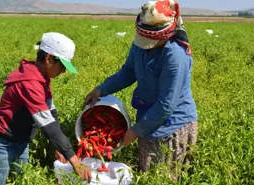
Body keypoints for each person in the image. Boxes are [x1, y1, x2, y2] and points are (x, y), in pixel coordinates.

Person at [84, 0, 198, 181]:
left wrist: (136, 131)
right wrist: (101, 90)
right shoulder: (140, 45)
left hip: (171, 125)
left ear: (166, 34)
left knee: (162, 177)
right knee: (147, 173)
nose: (147, 43)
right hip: (147, 117)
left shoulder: (175, 56)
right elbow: (128, 72)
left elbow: (166, 104)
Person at [0, 32, 91, 185]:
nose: (63, 71)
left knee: (22, 179)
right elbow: (47, 124)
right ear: (49, 58)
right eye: (62, 66)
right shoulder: (29, 83)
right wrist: (74, 159)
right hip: (2, 144)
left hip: (21, 141)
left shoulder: (41, 78)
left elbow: (51, 112)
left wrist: (58, 146)